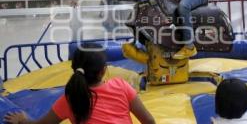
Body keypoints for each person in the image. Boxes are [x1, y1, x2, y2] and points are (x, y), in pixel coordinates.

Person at [4, 43, 155, 124]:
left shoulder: (70, 99)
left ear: (74, 68)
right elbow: (148, 120)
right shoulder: (121, 86)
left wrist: (23, 120)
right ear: (103, 71)